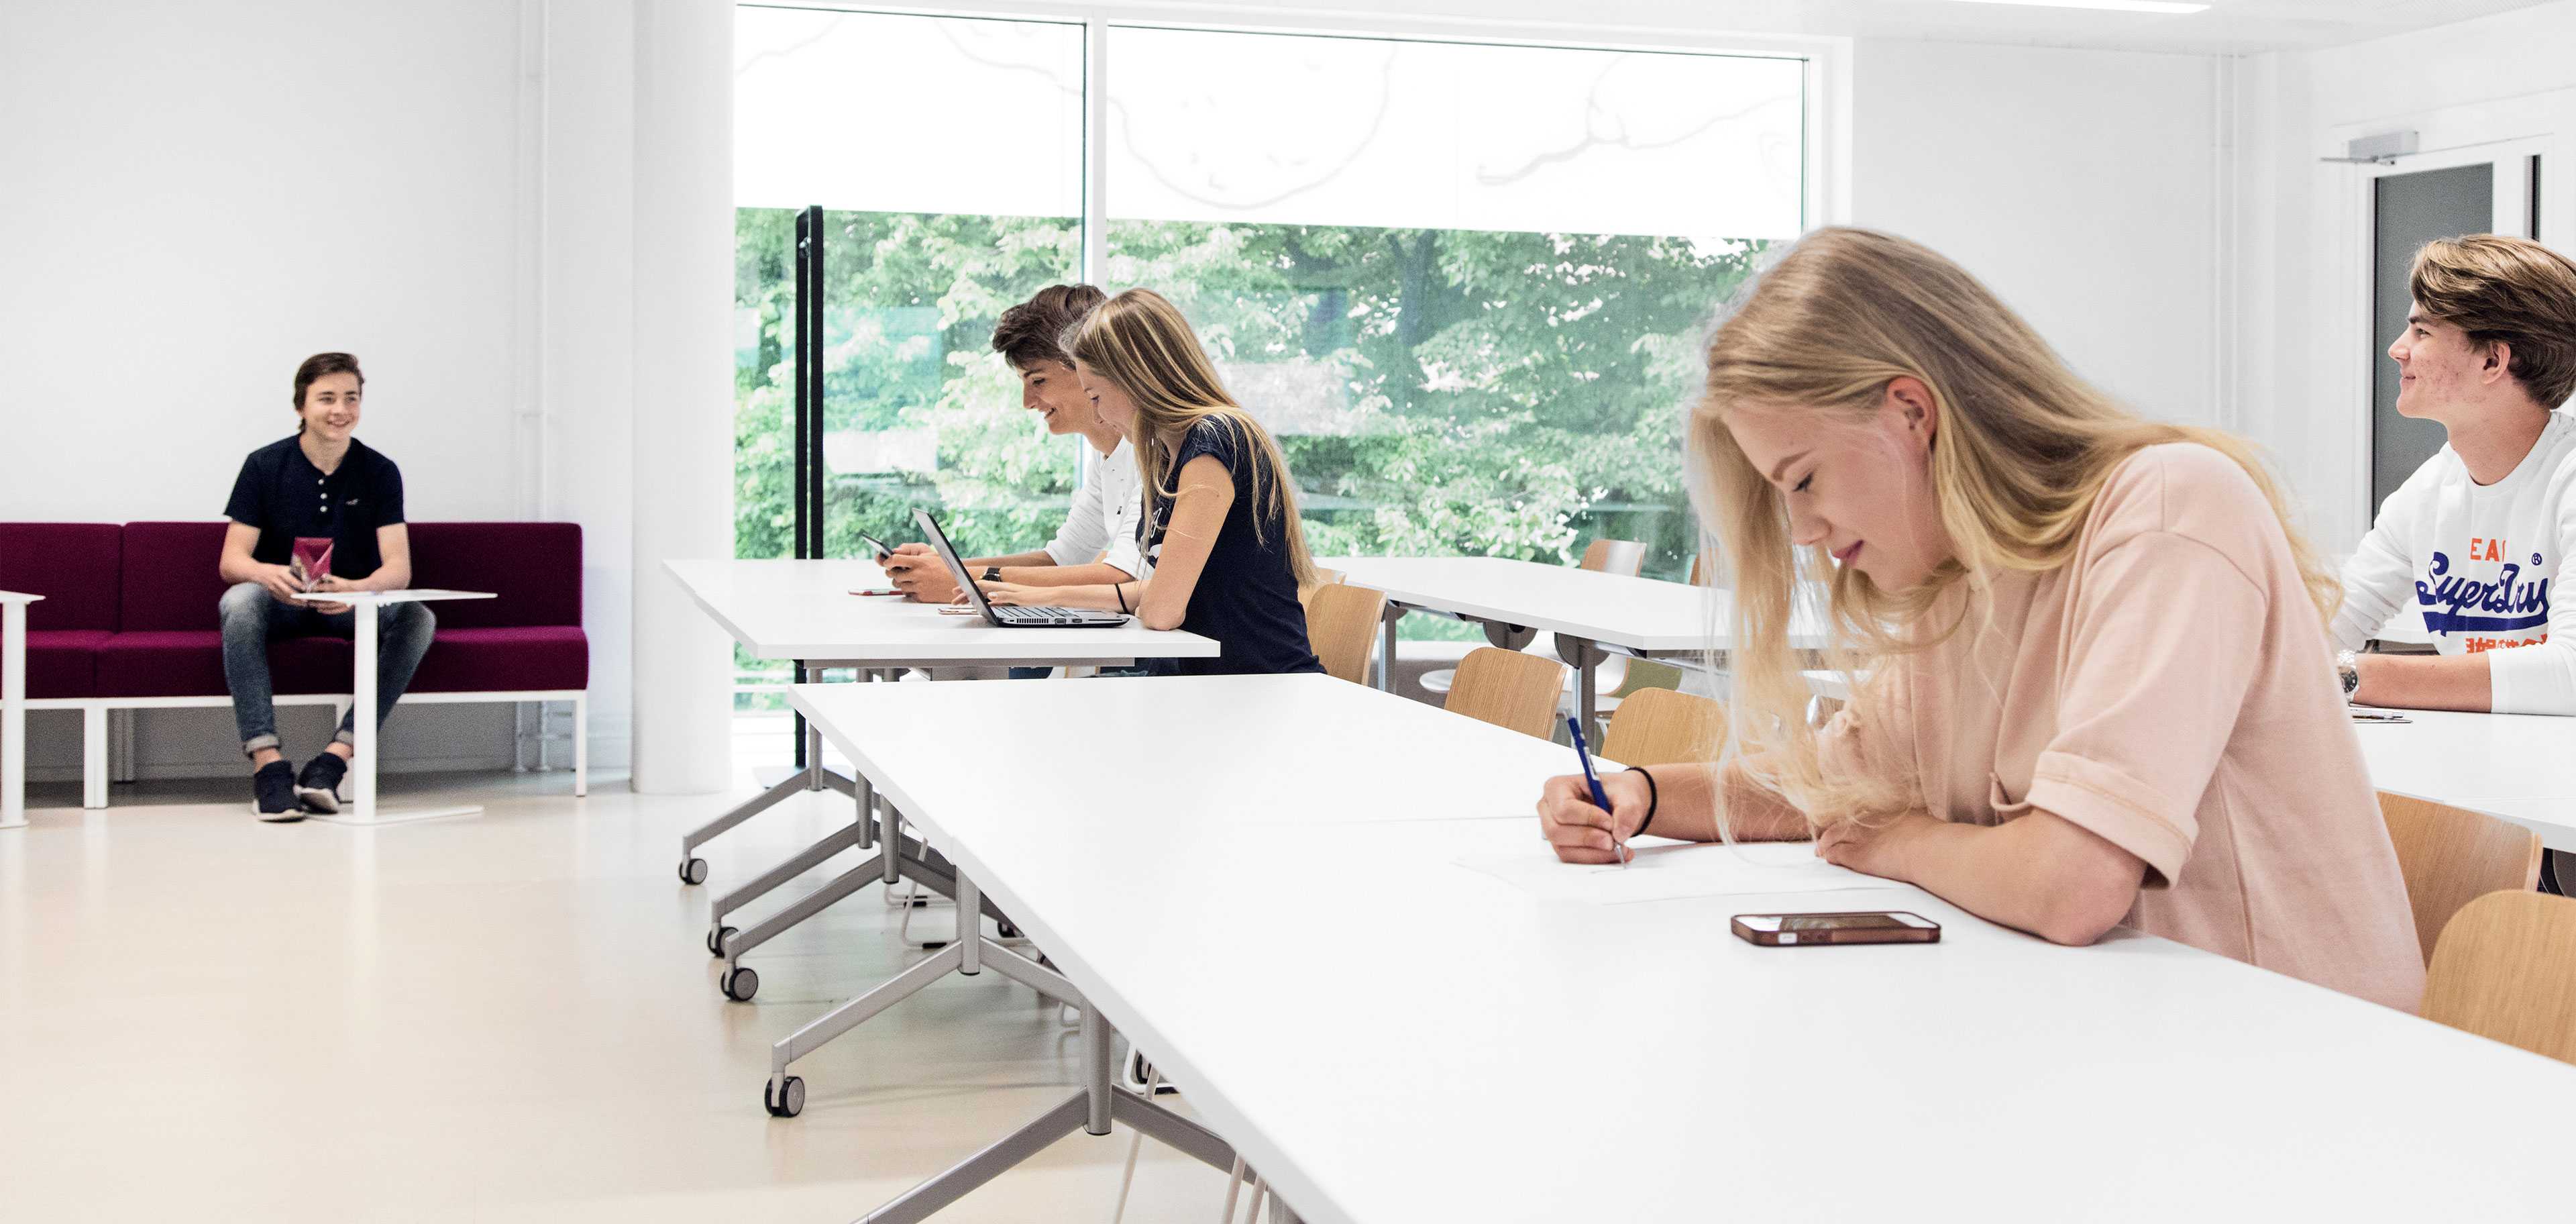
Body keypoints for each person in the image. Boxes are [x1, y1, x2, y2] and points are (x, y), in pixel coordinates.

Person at [1535, 228, 2424, 1012]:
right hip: (2127, 1030)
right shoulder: (1969, 581)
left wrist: (1904, 842)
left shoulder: (2168, 511)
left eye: (1804, 480)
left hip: (2297, 1066)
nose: (1802, 532)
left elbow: (2071, 886)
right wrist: (1644, 795)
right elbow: (1831, 790)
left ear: (1911, 412)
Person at [974, 288, 1324, 676]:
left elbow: (1160, 608)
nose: (1099, 416)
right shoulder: (1174, 453)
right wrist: (1040, 595)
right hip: (1204, 683)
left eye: (1095, 396)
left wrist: (1047, 593)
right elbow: (1157, 591)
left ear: (1135, 382)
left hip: (1254, 687)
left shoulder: (1216, 441)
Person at [2330, 234, 2576, 715]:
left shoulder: (2568, 479)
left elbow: (2570, 675)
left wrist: (2344, 674)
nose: (2397, 349)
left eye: (2422, 332)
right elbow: (2324, 628)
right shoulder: (2427, 490)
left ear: (2492, 360)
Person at [217, 352, 435, 821]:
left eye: (351, 399)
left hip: (349, 603)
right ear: (301, 406)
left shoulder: (380, 471)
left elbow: (398, 569)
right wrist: (264, 574)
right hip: (283, 603)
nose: (341, 410)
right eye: (327, 398)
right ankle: (268, 767)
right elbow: (232, 561)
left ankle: (332, 762)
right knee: (239, 600)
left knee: (418, 615)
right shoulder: (263, 465)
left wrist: (357, 589)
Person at [882, 284, 1150, 607]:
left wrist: (965, 580)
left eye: (1038, 381)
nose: (1027, 402)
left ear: (1087, 368)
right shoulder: (1106, 456)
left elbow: (1124, 577)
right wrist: (946, 566)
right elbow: (1060, 558)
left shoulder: (1151, 451)